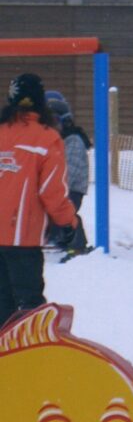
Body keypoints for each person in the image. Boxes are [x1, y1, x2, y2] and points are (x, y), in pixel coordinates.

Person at [0, 73, 80, 325]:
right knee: (29, 302)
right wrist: (68, 222)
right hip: (22, 234)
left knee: (2, 300)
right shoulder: (46, 138)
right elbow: (51, 191)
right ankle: (28, 344)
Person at [46, 91, 90, 251]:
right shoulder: (51, 139)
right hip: (55, 186)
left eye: (54, 121)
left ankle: (76, 243)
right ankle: (55, 236)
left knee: (62, 211)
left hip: (71, 189)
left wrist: (53, 186)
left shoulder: (72, 140)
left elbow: (71, 170)